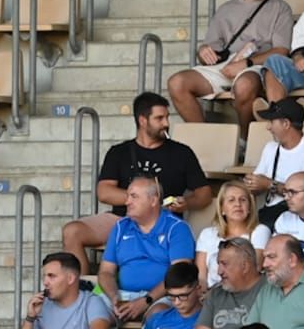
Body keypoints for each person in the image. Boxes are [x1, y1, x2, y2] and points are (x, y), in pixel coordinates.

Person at [59, 94, 211, 275]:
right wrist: (140, 200)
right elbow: (104, 192)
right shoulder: (119, 152)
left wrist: (187, 203)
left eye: (167, 117)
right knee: (72, 231)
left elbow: (204, 193)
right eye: (159, 118)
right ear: (142, 120)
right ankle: (81, 295)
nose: (166, 123)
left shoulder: (181, 153)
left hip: (162, 220)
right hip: (121, 219)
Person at [166, 0, 294, 128]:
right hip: (226, 64)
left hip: (257, 64)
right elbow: (211, 50)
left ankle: (243, 140)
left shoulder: (280, 8)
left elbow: (281, 51)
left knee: (244, 85)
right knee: (177, 83)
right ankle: (206, 137)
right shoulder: (226, 8)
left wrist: (245, 63)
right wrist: (204, 51)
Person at [99, 176, 197, 319]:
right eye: (127, 196)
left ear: (153, 200)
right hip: (122, 295)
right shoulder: (121, 227)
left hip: (162, 297)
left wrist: (146, 300)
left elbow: (179, 276)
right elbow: (105, 272)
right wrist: (114, 296)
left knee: (158, 315)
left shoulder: (177, 228)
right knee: (91, 311)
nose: (127, 202)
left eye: (134, 197)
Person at [196, 237, 265, 329]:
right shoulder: (216, 294)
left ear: (245, 266)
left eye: (224, 264)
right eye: (218, 264)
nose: (219, 272)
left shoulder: (269, 291)